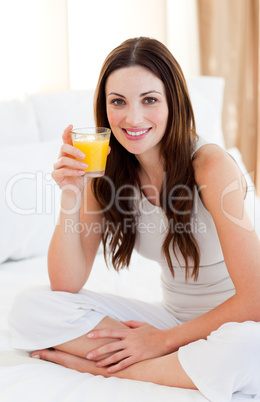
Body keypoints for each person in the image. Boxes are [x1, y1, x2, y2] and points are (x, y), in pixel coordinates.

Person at [8, 37, 260, 401]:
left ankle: (107, 368)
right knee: (29, 308)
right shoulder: (107, 170)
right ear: (104, 107)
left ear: (173, 101)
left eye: (150, 100)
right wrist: (71, 194)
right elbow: (65, 283)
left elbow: (254, 299)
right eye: (118, 102)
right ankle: (176, 365)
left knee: (247, 347)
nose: (133, 118)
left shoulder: (209, 165)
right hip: (172, 320)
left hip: (233, 322)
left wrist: (159, 342)